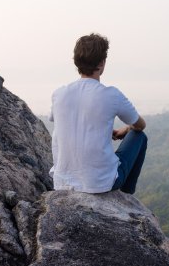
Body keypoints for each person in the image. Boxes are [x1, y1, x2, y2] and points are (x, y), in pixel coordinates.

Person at [49, 33, 147, 194]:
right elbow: (140, 125)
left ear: (76, 62)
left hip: (62, 182)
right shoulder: (111, 95)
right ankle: (126, 194)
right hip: (100, 183)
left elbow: (61, 121)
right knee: (139, 137)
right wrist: (128, 129)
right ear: (102, 63)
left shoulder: (59, 94)